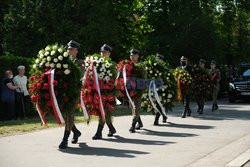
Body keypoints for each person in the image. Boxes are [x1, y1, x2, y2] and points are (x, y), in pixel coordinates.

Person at [59, 40, 82, 149]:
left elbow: (81, 77)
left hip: (73, 93)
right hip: (63, 92)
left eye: (71, 49)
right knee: (64, 115)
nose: (69, 50)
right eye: (68, 49)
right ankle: (76, 132)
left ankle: (65, 140)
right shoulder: (62, 61)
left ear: (76, 51)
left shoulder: (80, 63)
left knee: (69, 115)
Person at [92, 44, 117, 140]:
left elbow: (115, 78)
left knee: (104, 111)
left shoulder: (113, 64)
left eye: (105, 52)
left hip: (109, 91)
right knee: (102, 112)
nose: (103, 54)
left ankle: (99, 132)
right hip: (98, 91)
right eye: (102, 52)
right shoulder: (96, 63)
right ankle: (111, 128)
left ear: (109, 53)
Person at [128, 49, 144, 133]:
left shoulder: (141, 65)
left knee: (136, 107)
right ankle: (140, 122)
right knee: (132, 107)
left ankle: (133, 125)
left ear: (138, 56)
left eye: (134, 55)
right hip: (129, 89)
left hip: (137, 90)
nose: (133, 57)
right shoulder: (127, 65)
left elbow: (143, 78)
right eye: (131, 55)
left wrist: (140, 90)